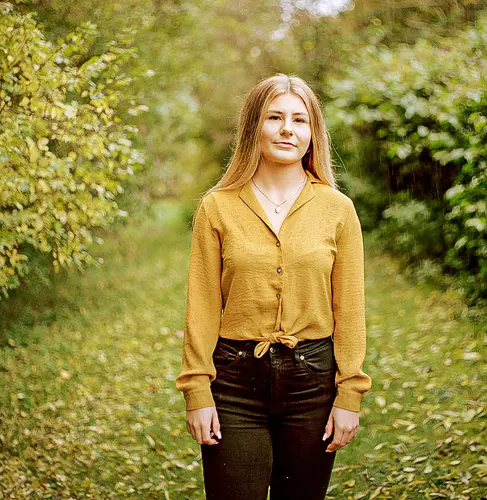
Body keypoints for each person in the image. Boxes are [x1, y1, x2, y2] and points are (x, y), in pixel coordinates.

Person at [176, 73, 372, 500]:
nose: (288, 128)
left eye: (300, 120)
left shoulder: (338, 209)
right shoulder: (218, 206)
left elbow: (350, 309)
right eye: (275, 117)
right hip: (233, 383)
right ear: (253, 129)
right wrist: (197, 390)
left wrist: (349, 394)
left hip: (313, 382)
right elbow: (203, 305)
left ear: (311, 135)